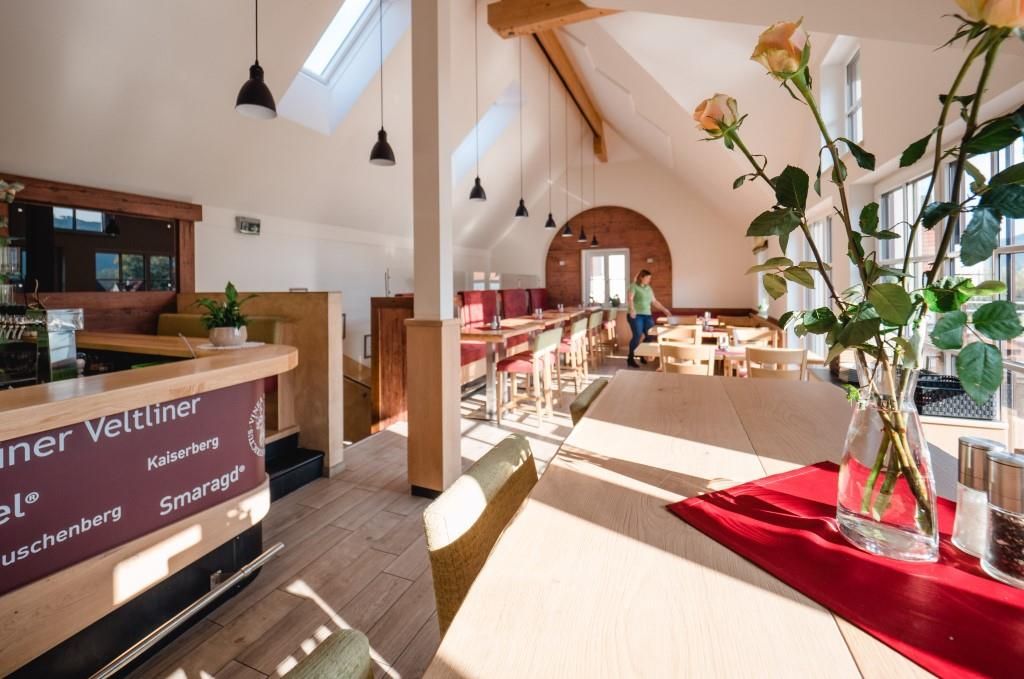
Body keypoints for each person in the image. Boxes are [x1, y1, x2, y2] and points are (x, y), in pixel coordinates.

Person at [626, 269, 670, 368]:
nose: (649, 280)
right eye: (647, 278)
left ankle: (642, 354)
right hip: (636, 315)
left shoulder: (648, 288)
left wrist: (664, 310)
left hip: (647, 315)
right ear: (641, 277)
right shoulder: (633, 286)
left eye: (650, 278)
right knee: (637, 336)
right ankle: (630, 358)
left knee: (650, 335)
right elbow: (630, 299)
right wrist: (632, 310)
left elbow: (654, 301)